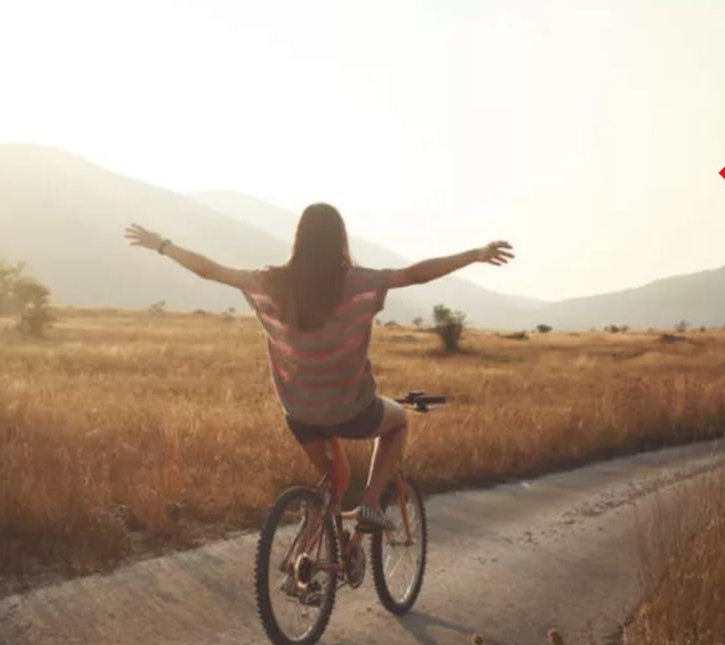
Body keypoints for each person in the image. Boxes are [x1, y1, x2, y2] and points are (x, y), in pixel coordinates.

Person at [125, 203, 513, 530]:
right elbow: (415, 274)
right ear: (339, 241)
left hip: (299, 413)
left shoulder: (270, 282)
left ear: (299, 240)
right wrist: (474, 254)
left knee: (334, 480)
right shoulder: (358, 282)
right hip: (352, 410)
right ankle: (372, 505)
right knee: (398, 422)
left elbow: (210, 270)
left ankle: (309, 555)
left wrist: (162, 245)